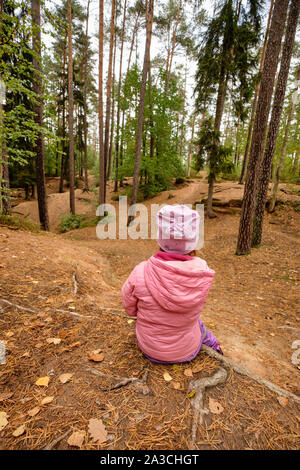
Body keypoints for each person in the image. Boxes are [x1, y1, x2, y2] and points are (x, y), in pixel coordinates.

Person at [121, 204, 222, 364]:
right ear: (193, 242)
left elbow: (130, 309)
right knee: (199, 323)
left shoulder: (141, 271)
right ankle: (216, 347)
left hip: (149, 347)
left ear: (161, 238)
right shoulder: (202, 273)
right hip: (186, 350)